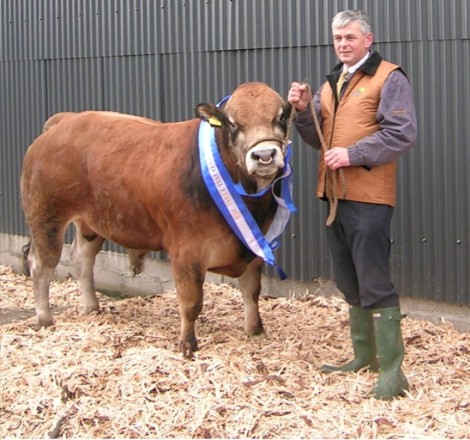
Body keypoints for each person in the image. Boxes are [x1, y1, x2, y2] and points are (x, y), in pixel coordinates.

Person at [288, 10, 417, 400]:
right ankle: (365, 357)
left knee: (374, 280)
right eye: (337, 38)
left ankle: (394, 374)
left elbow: (402, 132)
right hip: (334, 196)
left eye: (349, 37)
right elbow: (322, 143)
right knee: (349, 280)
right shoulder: (331, 84)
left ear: (368, 39)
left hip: (370, 197)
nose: (342, 44)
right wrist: (302, 111)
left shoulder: (389, 77)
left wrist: (354, 153)